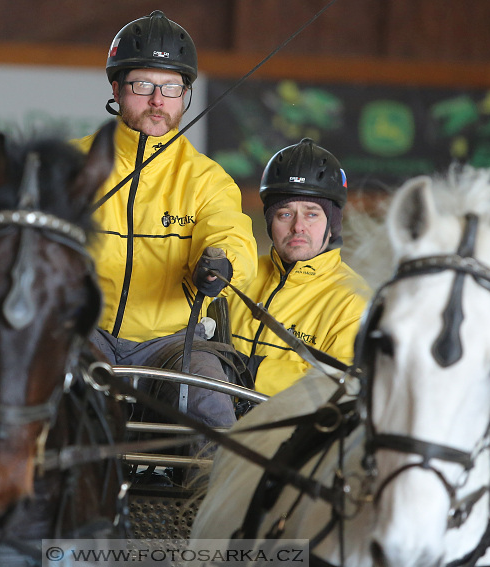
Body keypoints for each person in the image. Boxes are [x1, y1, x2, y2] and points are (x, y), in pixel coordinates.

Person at [73, 11, 258, 428]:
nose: (158, 101)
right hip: (83, 333)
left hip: (174, 344)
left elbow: (229, 230)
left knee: (214, 411)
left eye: (172, 87)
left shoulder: (207, 179)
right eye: (144, 85)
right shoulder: (71, 166)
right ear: (117, 89)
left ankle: (211, 494)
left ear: (185, 95)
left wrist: (222, 261)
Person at [231, 139, 370, 397]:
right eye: (285, 213)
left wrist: (248, 372)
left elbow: (340, 385)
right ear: (270, 223)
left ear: (333, 225)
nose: (297, 226)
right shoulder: (242, 273)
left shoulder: (353, 301)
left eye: (312, 214)